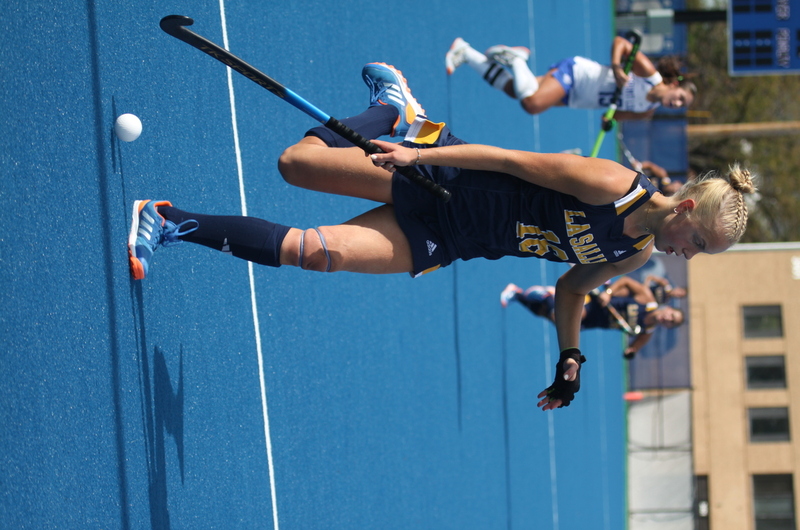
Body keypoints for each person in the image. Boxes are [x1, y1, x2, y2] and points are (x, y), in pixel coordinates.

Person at [128, 62, 754, 411]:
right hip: (448, 176)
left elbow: (571, 290)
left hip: (456, 239)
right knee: (295, 164)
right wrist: (415, 153)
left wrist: (570, 355)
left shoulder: (636, 252)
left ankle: (164, 221)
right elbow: (510, 160)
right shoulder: (611, 183)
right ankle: (393, 112)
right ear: (688, 206)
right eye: (697, 242)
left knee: (319, 254)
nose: (686, 255)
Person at [445, 36, 696, 122]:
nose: (676, 104)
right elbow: (621, 42)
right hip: (577, 75)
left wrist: (610, 120)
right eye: (680, 98)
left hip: (575, 98)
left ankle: (465, 52)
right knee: (531, 104)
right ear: (674, 85)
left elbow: (611, 116)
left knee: (516, 90)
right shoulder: (649, 74)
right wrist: (618, 68)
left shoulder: (646, 111)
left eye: (680, 106)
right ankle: (516, 59)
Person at [501, 278, 684, 359]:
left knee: (546, 315)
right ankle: (549, 295)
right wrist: (609, 294)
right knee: (560, 317)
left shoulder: (646, 332)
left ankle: (517, 294)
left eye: (671, 322)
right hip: (594, 304)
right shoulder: (647, 300)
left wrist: (630, 352)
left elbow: (633, 348)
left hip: (594, 323)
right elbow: (627, 281)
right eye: (671, 315)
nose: (667, 319)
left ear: (667, 327)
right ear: (667, 309)